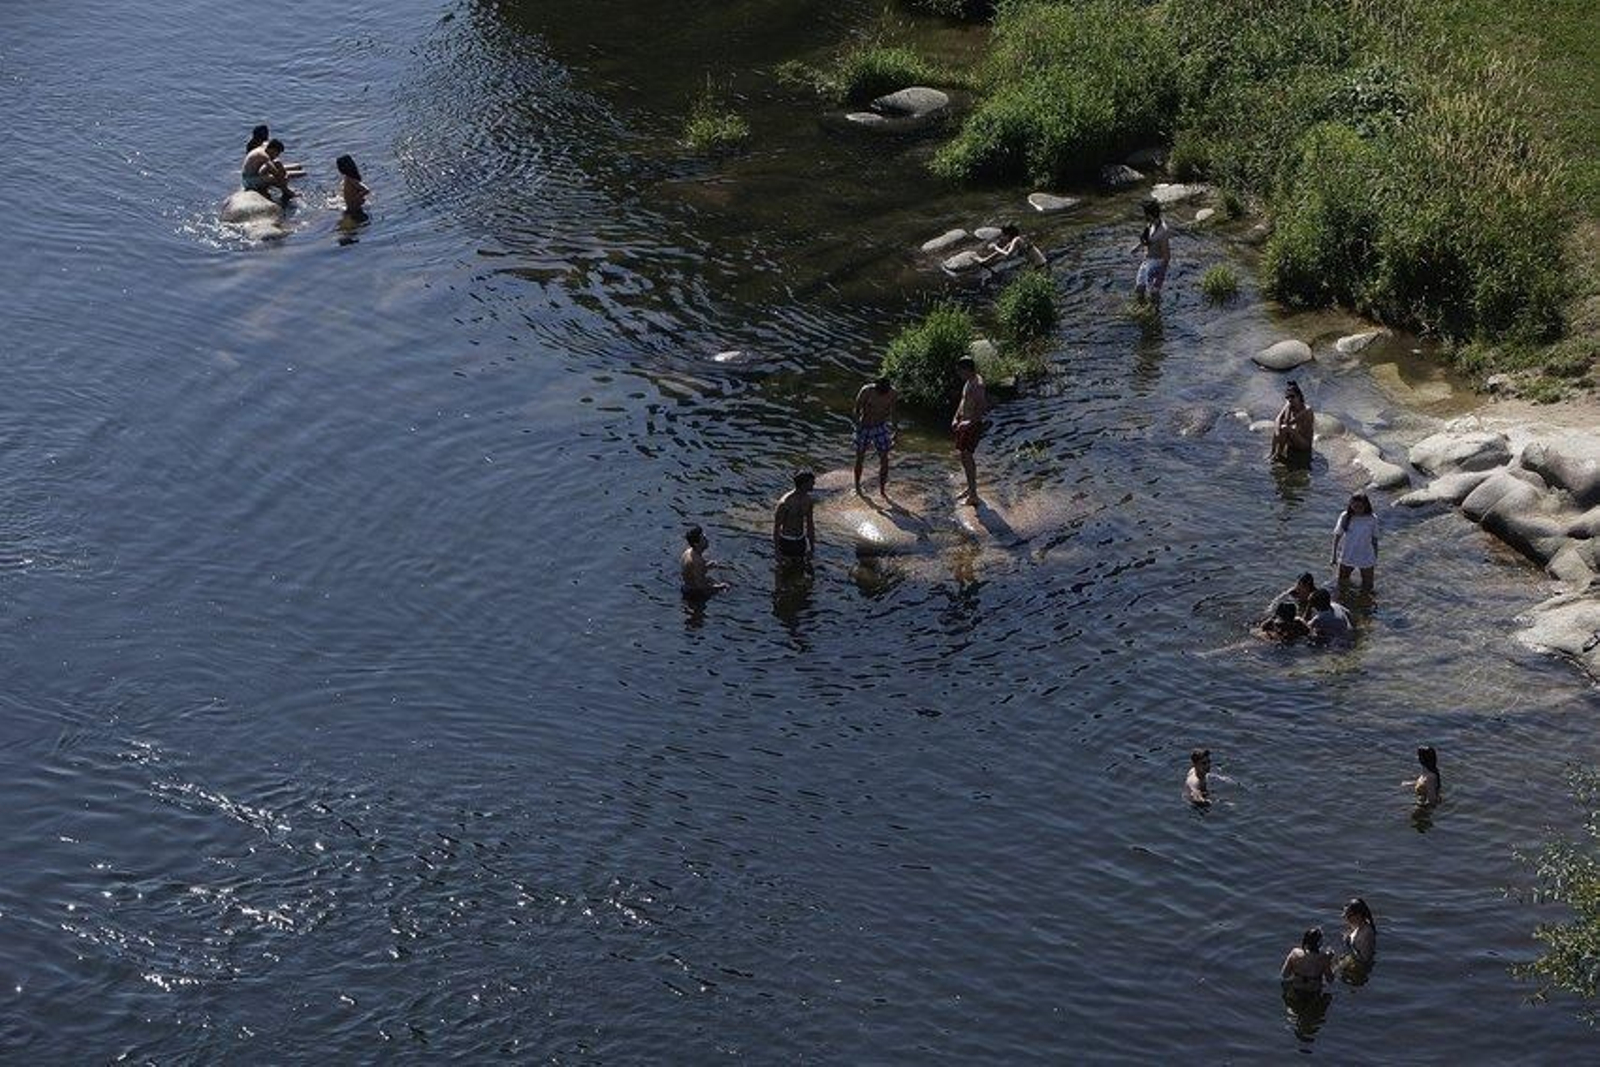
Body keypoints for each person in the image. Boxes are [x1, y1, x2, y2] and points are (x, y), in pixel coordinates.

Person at [952, 356, 989, 506]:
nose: (958, 374)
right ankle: (970, 488)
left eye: (960, 371)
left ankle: (973, 495)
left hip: (973, 425)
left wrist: (968, 422)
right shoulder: (969, 381)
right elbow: (963, 401)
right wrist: (956, 417)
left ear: (967, 369)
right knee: (964, 456)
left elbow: (981, 407)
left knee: (967, 456)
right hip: (964, 423)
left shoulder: (978, 384)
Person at [853, 378, 897, 497]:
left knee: (884, 458)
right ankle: (857, 486)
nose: (882, 394)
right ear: (876, 387)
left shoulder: (892, 393)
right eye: (880, 391)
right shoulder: (867, 391)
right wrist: (858, 426)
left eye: (885, 391)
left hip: (880, 426)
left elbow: (893, 412)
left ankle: (882, 490)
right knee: (860, 456)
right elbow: (857, 409)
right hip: (865, 425)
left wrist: (895, 429)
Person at [1332, 492, 1379, 592]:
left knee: (1368, 587)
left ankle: (1364, 604)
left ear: (1366, 505)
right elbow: (1337, 536)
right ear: (1350, 505)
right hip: (1348, 555)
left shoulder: (1372, 518)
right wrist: (1334, 556)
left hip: (1366, 556)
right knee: (1342, 584)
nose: (1357, 509)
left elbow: (1374, 539)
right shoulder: (1345, 516)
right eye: (1354, 506)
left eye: (1360, 506)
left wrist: (1375, 557)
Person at [1132, 198, 1171, 303]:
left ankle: (1156, 315)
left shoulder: (1163, 231)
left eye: (1144, 214)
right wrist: (1137, 248)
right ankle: (1140, 311)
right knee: (1139, 288)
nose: (1143, 216)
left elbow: (1167, 256)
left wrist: (1160, 277)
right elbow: (1146, 239)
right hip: (1147, 261)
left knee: (1153, 293)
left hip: (1156, 263)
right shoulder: (1150, 224)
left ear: (1149, 215)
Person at [772, 470, 816, 560]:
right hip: (786, 541)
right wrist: (776, 550)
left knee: (801, 570)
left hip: (801, 541)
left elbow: (810, 525)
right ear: (804, 484)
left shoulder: (808, 501)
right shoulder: (785, 503)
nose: (814, 484)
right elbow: (776, 527)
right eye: (811, 482)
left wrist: (812, 548)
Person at [1270, 382, 1315, 462]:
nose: (1290, 399)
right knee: (1277, 426)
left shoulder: (1307, 410)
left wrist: (1281, 429)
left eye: (1292, 396)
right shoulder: (1289, 404)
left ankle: (1278, 454)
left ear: (1299, 396)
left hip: (1304, 443)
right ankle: (1273, 452)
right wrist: (1277, 432)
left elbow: (1290, 422)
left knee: (1284, 428)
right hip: (1293, 440)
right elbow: (1278, 418)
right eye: (1287, 397)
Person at [680, 525, 727, 597]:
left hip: (687, 586)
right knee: (727, 588)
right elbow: (701, 587)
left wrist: (706, 566)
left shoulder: (689, 552)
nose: (707, 540)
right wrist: (720, 586)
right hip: (694, 593)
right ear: (696, 544)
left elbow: (692, 572)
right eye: (704, 538)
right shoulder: (696, 561)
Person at [974, 224, 1047, 268]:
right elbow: (1002, 251)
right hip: (1043, 264)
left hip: (1040, 267)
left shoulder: (1016, 240)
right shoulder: (1019, 239)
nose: (1002, 237)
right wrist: (985, 260)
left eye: (1003, 235)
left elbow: (1008, 254)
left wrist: (995, 247)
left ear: (1008, 234)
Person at [1342, 899, 1377, 966]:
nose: (1344, 917)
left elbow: (1365, 959)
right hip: (1352, 961)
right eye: (1344, 914)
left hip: (1358, 968)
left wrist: (1350, 945)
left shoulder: (1367, 934)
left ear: (1358, 916)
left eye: (1348, 915)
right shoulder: (1356, 926)